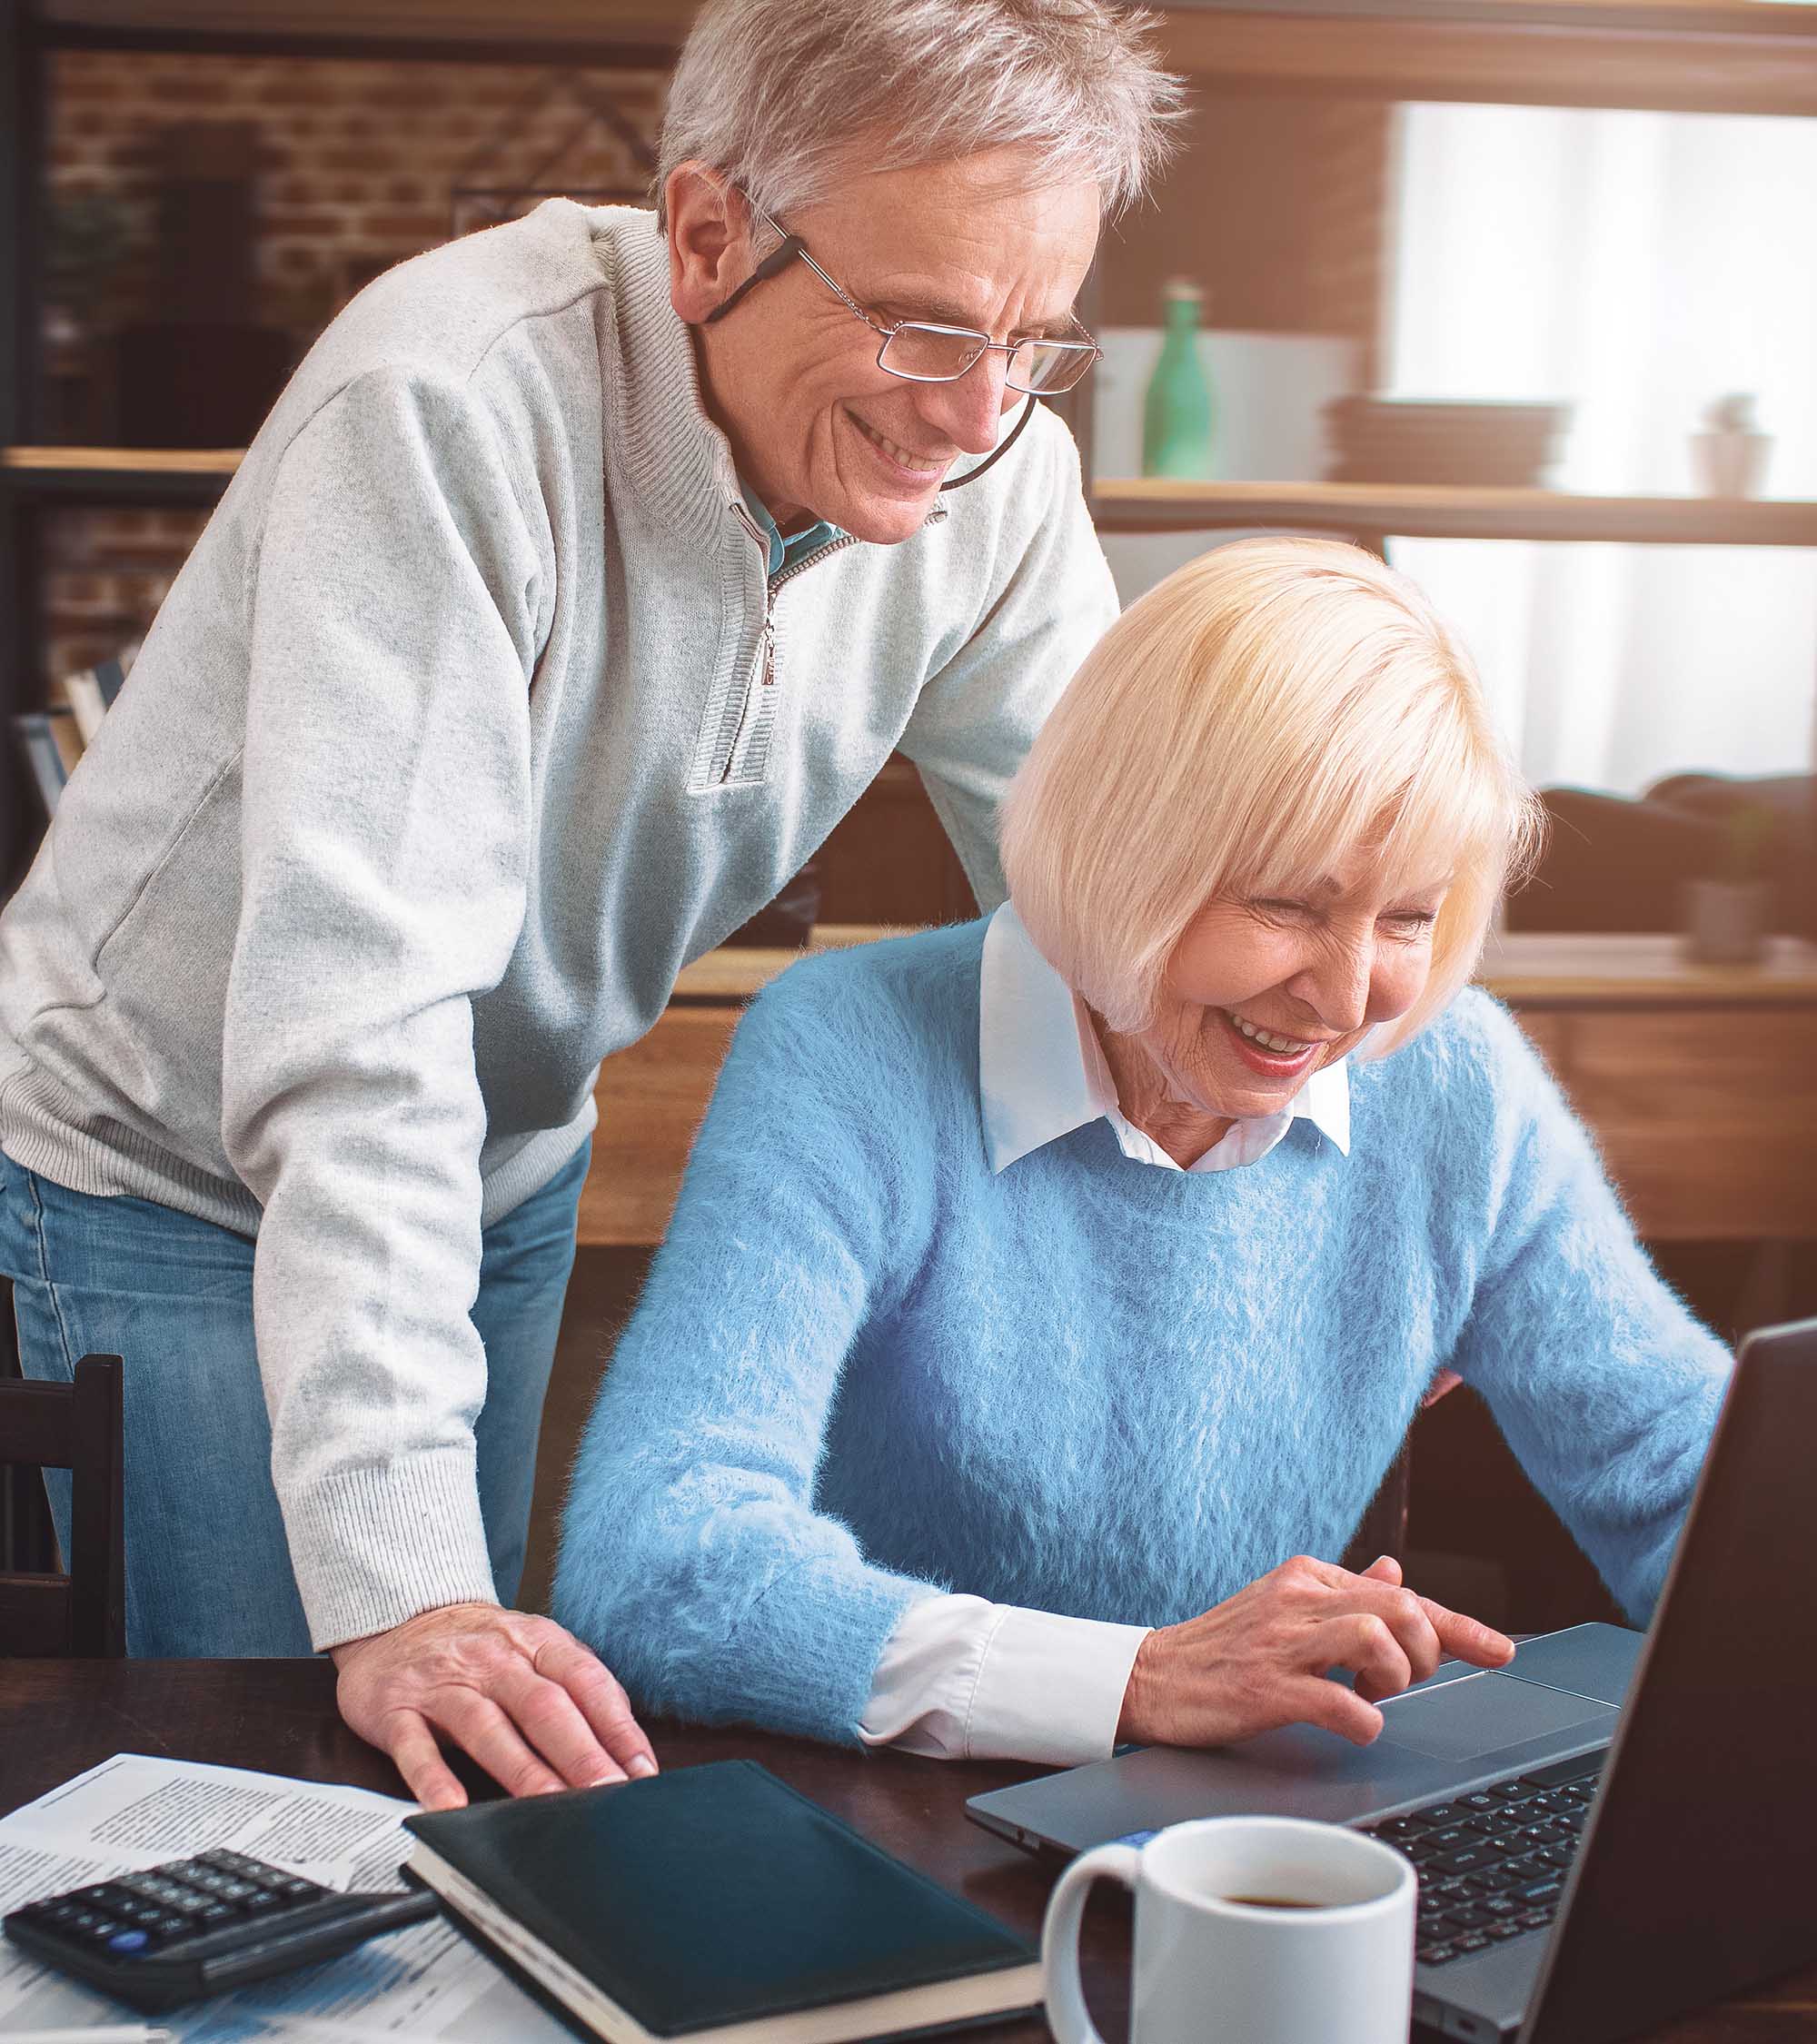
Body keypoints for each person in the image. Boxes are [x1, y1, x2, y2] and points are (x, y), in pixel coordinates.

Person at [0, 0, 1182, 1805]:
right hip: (168, 1164)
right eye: (925, 321)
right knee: (278, 1781)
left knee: (467, 1760)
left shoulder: (994, 473)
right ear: (707, 237)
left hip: (498, 1155)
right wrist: (400, 1593)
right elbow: (361, 1024)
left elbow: (1115, 882)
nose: (980, 409)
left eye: (1035, 338)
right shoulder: (451, 405)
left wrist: (1315, 1171)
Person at [551, 537, 1731, 1765]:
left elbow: (1681, 1467)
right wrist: (1137, 1678)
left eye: (1408, 918)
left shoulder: (1452, 1080)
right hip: (879, 1819)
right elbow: (657, 1555)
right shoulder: (849, 1050)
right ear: (1123, 845)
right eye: (1286, 902)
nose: (1342, 997)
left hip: (1248, 1828)